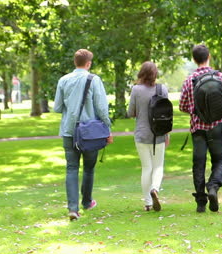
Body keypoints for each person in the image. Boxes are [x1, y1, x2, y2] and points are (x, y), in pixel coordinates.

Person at [54, 49, 113, 221]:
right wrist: (107, 128)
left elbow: (57, 108)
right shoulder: (94, 80)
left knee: (71, 168)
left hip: (69, 131)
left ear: (75, 62)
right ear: (88, 63)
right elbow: (102, 108)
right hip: (89, 132)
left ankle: (73, 208)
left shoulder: (63, 80)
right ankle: (87, 202)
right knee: (89, 167)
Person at [179, 44, 222, 213]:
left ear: (194, 59)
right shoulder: (220, 76)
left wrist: (195, 109)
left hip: (197, 128)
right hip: (217, 126)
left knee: (199, 163)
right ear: (209, 56)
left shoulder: (190, 80)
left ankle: (200, 202)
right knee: (219, 159)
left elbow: (183, 105)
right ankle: (213, 186)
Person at [127, 61, 170, 212]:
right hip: (158, 133)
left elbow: (130, 112)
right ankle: (155, 189)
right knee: (158, 166)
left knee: (146, 167)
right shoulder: (162, 89)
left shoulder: (136, 90)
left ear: (141, 73)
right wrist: (167, 134)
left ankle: (147, 202)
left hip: (142, 133)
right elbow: (166, 114)